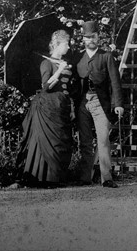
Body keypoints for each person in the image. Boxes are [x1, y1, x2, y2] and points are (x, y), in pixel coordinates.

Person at [17, 30, 74, 187]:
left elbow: (68, 87)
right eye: (66, 44)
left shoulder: (65, 62)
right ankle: (42, 178)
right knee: (46, 143)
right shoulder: (46, 63)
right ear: (57, 45)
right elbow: (46, 86)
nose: (68, 47)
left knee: (60, 142)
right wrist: (61, 69)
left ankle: (56, 178)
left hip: (61, 106)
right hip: (47, 107)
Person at [75, 21, 124, 188]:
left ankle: (106, 178)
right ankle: (85, 177)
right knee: (85, 141)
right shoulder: (78, 58)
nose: (90, 40)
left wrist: (118, 104)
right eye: (87, 37)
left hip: (100, 103)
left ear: (98, 37)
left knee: (103, 140)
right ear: (83, 39)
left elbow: (115, 82)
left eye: (93, 37)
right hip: (82, 104)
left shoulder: (106, 56)